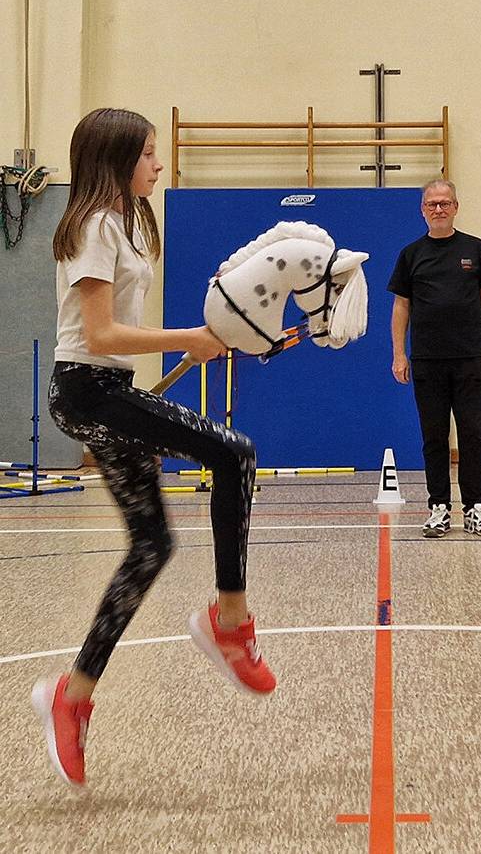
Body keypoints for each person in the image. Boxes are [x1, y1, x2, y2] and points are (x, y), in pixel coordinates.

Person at [32, 108, 276, 787]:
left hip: (104, 391)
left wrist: (205, 338)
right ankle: (231, 620)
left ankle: (72, 695)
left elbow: (116, 342)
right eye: (148, 154)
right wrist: (187, 339)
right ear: (116, 159)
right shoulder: (94, 226)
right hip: (88, 392)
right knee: (234, 453)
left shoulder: (125, 225)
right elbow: (101, 335)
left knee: (151, 545)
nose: (158, 164)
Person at [388, 178, 481, 538]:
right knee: (434, 436)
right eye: (432, 204)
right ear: (423, 210)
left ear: (455, 207)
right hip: (427, 360)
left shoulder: (475, 248)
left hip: (470, 358)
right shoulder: (411, 254)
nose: (439, 209)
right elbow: (401, 307)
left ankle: (476, 509)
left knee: (472, 434)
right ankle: (439, 507)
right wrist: (399, 354)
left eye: (445, 203)